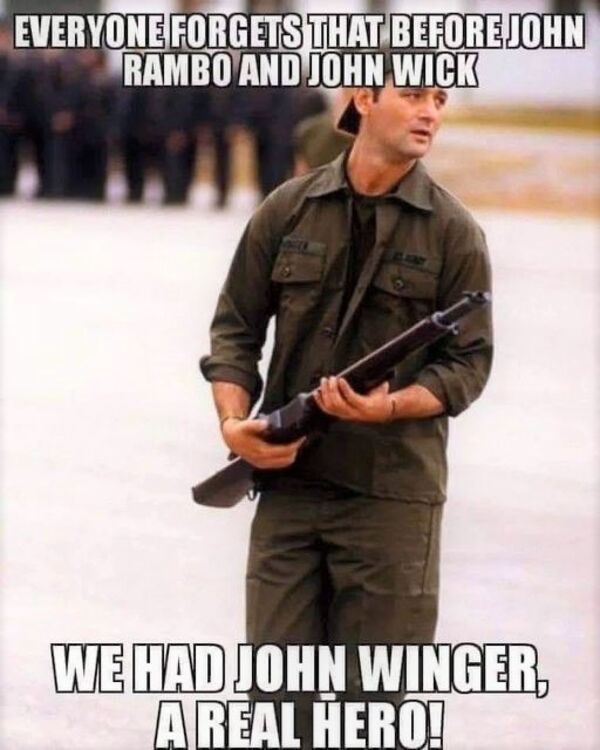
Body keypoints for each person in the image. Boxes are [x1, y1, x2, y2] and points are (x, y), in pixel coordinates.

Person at [200, 70, 493, 747]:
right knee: (279, 706)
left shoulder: (454, 233)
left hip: (390, 499)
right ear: (364, 99)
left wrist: (390, 407)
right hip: (290, 489)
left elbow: (468, 366)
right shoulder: (288, 209)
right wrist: (234, 425)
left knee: (373, 710)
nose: (430, 113)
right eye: (413, 95)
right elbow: (234, 330)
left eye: (440, 100)